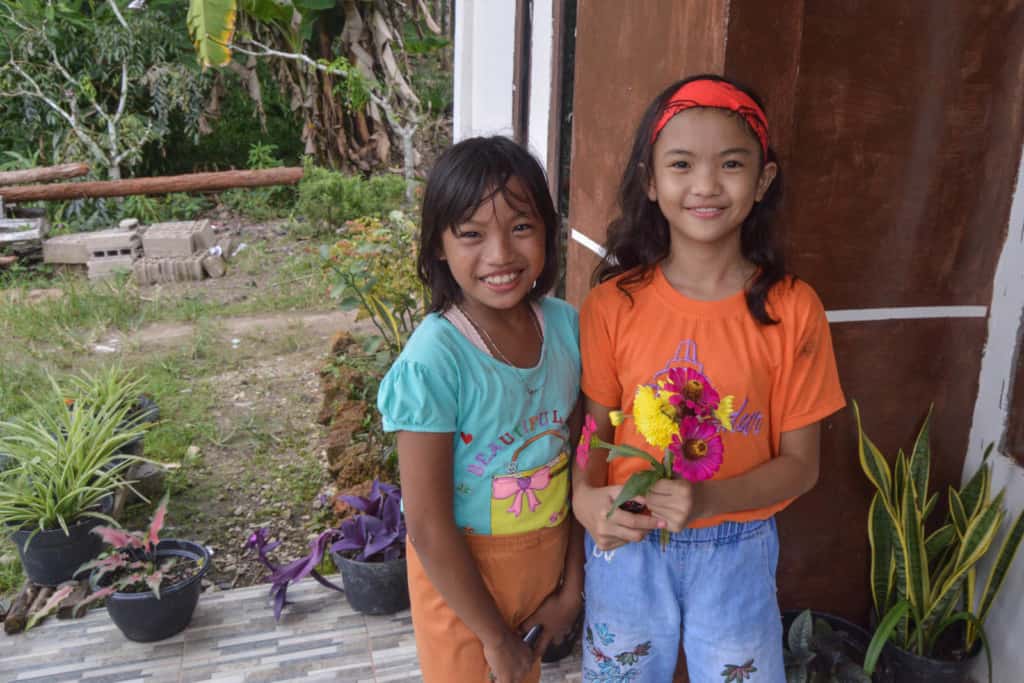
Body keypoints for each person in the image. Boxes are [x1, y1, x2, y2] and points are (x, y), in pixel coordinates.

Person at [572, 75, 846, 682]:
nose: (704, 185)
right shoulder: (613, 304)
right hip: (628, 541)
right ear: (650, 180)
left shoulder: (793, 309)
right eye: (681, 164)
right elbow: (594, 428)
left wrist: (709, 500)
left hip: (737, 549)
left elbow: (802, 464)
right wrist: (583, 497)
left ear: (763, 180)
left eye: (730, 164)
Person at [377, 136, 584, 683]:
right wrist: (494, 637)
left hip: (545, 569)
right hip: (461, 589)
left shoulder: (565, 328)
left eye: (521, 227)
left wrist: (570, 591)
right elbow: (425, 523)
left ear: (547, 231)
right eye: (471, 234)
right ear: (439, 246)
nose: (500, 255)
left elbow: (585, 459)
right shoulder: (434, 361)